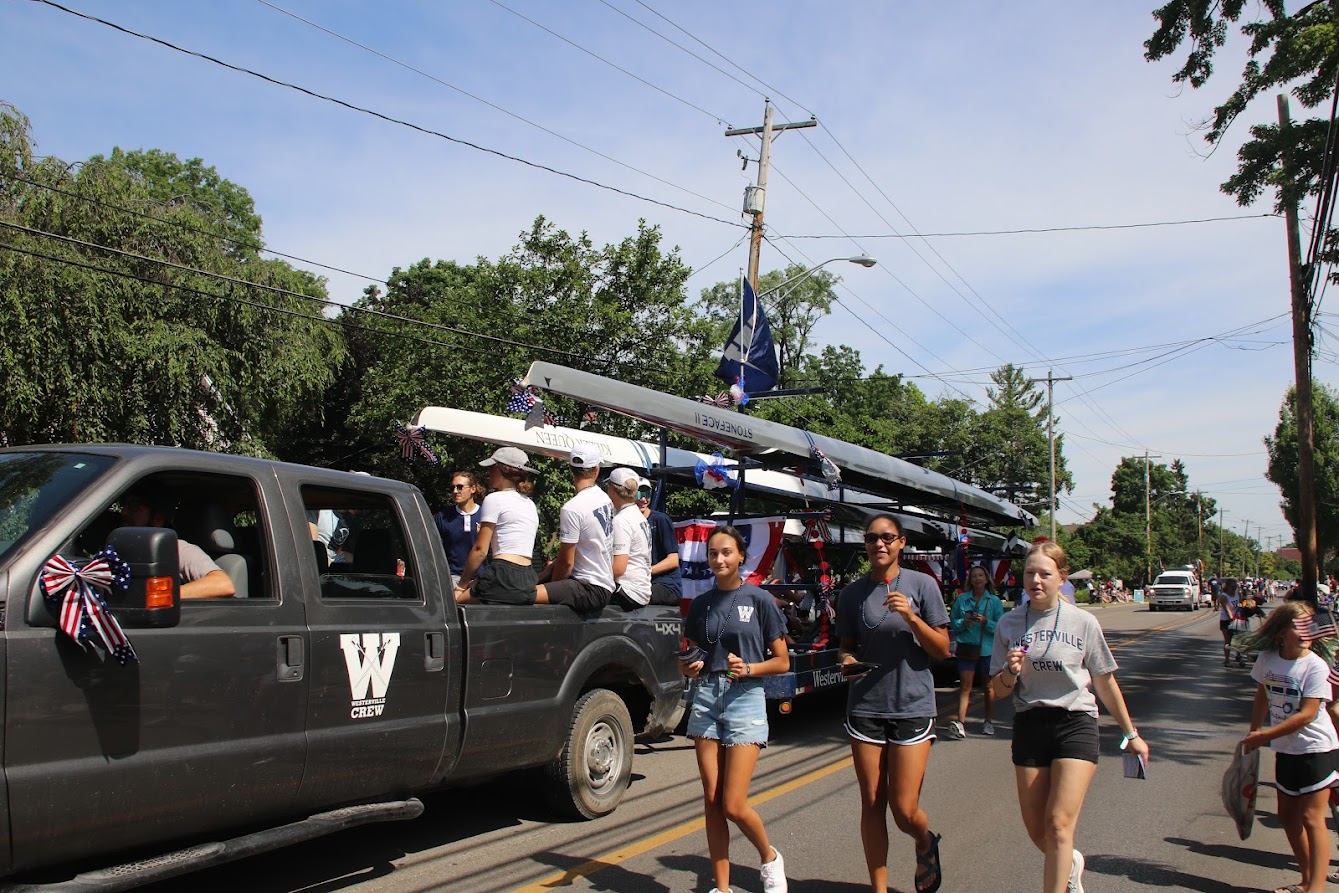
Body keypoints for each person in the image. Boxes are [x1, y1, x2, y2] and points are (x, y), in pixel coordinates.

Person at [990, 540, 1149, 893]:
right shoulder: (1009, 623)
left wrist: (1130, 733)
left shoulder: (1084, 622)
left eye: (1045, 574)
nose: (1036, 581)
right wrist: (1010, 673)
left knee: (1059, 825)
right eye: (1030, 573)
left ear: (1061, 578)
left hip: (1075, 722)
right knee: (1038, 831)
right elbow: (997, 691)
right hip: (1030, 723)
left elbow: (1105, 683)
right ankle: (1071, 863)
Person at [836, 514, 950, 893]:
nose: (878, 544)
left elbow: (942, 649)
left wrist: (912, 617)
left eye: (887, 538)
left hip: (912, 705)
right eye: (871, 538)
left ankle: (923, 841)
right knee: (872, 801)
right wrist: (846, 662)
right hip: (865, 706)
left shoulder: (922, 585)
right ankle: (879, 888)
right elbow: (847, 647)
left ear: (902, 542)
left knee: (904, 810)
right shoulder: (851, 594)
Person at [680, 525, 790, 893]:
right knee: (712, 800)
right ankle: (722, 888)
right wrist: (688, 666)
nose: (719, 559)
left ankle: (769, 858)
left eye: (726, 552)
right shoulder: (700, 604)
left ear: (741, 556)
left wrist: (751, 668)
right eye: (713, 553)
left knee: (733, 803)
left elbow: (783, 662)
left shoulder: (759, 600)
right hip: (707, 697)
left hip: (746, 697)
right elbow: (693, 652)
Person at [1239, 600, 1339, 893]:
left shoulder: (1316, 666)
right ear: (1281, 631)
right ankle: (1306, 879)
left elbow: (1308, 714)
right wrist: (1255, 728)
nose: (1307, 631)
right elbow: (1262, 693)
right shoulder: (1268, 659)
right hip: (1286, 750)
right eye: (1299, 625)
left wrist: (1264, 736)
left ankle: (1316, 889)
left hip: (1317, 749)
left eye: (1311, 624)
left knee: (1311, 817)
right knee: (1287, 817)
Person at [454, 448, 539, 606]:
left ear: (502, 469)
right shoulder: (530, 504)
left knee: (455, 602)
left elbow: (480, 551)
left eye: (491, 468)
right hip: (527, 578)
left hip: (502, 574)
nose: (488, 472)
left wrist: (460, 585)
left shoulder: (494, 499)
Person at [536, 444, 615, 612]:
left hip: (589, 588)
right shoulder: (605, 499)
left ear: (570, 467)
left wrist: (552, 587)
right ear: (596, 470)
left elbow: (566, 563)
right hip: (604, 584)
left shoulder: (572, 508)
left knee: (524, 594)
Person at [119, 489, 236, 600]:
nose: (124, 512)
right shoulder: (117, 547)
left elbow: (223, 584)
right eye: (124, 505)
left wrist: (159, 596)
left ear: (158, 519)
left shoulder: (174, 548)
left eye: (133, 507)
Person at [946, 565, 1005, 739]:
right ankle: (960, 723)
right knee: (965, 687)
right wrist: (964, 622)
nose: (978, 579)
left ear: (986, 579)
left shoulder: (993, 601)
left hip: (987, 650)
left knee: (988, 687)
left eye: (981, 575)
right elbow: (953, 621)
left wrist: (986, 621)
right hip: (966, 648)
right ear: (970, 580)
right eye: (974, 576)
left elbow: (1000, 627)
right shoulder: (962, 599)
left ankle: (988, 721)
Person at [607, 467, 653, 609]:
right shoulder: (639, 517)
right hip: (642, 590)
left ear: (612, 490)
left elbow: (618, 569)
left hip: (628, 591)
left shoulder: (622, 520)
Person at [636, 476, 683, 606]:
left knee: (632, 595)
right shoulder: (626, 521)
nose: (643, 499)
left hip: (666, 585)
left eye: (646, 494)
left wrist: (644, 572)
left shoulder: (661, 520)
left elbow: (673, 560)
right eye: (638, 493)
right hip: (641, 583)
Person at [434, 471, 485, 589]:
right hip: (452, 577)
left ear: (473, 489)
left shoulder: (486, 516)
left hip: (480, 578)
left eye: (460, 487)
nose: (455, 491)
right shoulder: (443, 517)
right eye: (453, 487)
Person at [1218, 577, 1242, 667]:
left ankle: (1238, 656)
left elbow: (1241, 603)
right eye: (1232, 587)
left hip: (1237, 618)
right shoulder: (1223, 596)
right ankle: (1227, 660)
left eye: (1235, 586)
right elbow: (1227, 609)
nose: (1234, 588)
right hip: (1226, 620)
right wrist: (1232, 619)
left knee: (1238, 639)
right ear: (1227, 587)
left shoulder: (1237, 594)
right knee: (1228, 641)